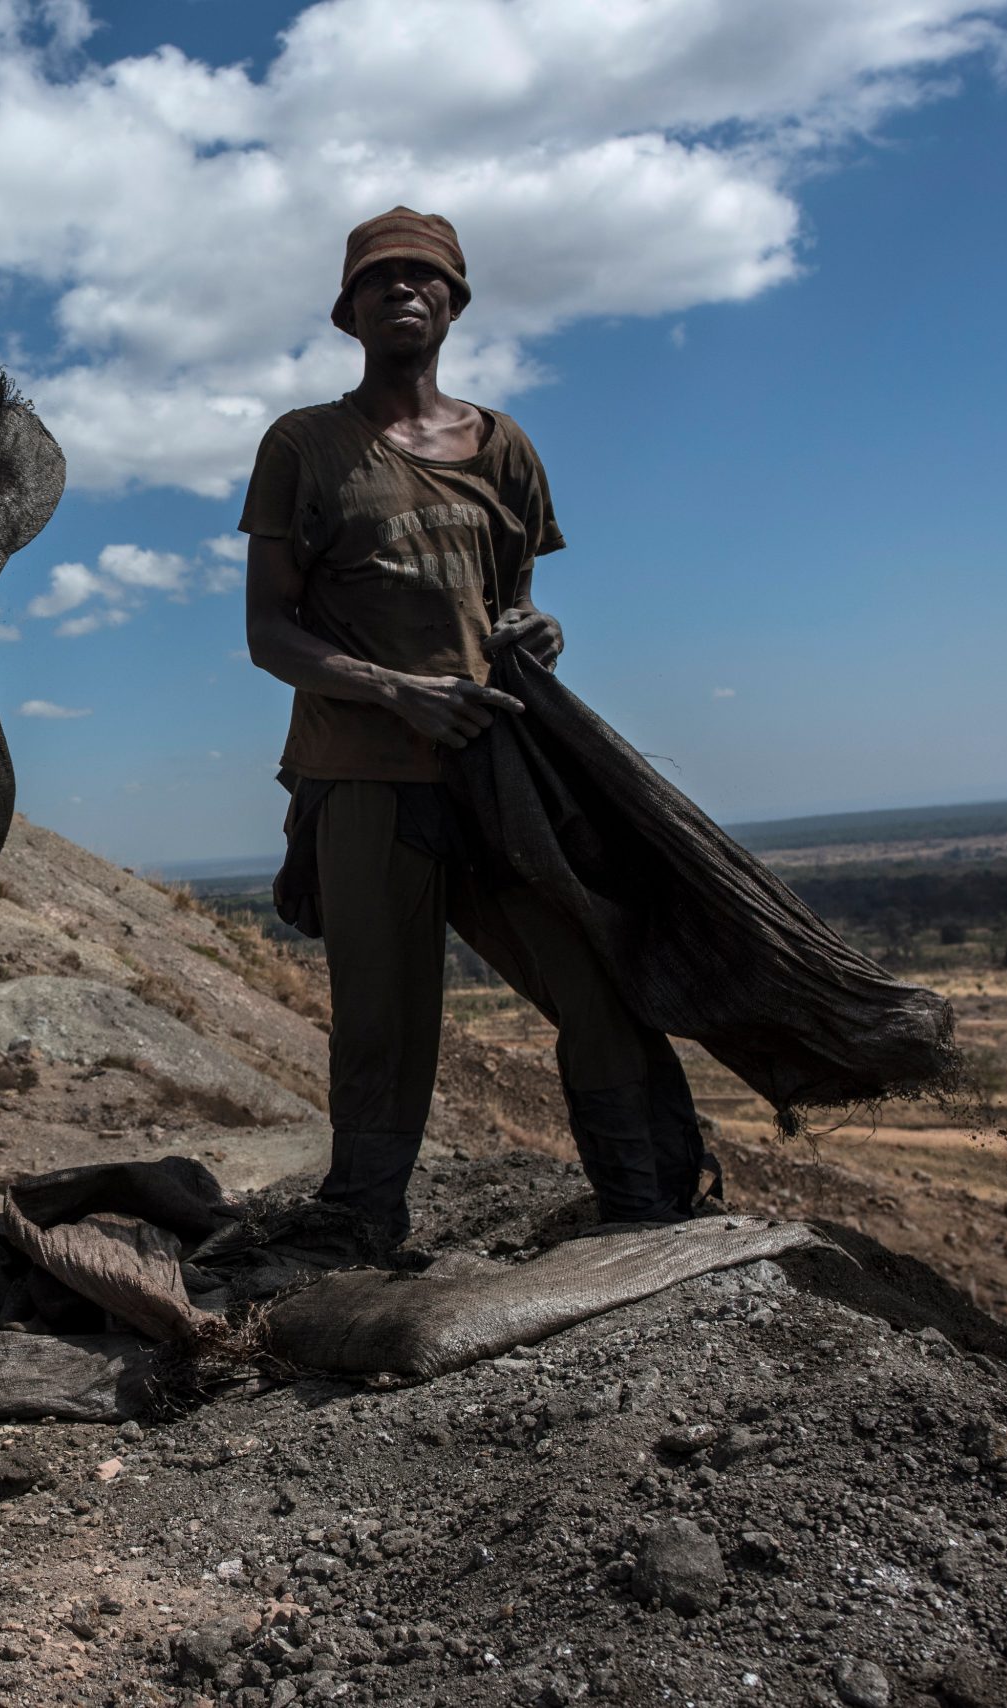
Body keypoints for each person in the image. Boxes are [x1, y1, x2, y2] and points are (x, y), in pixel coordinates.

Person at [241, 207, 709, 1244]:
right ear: (348, 310)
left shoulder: (503, 446)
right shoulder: (305, 445)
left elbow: (512, 606)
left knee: (596, 979)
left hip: (499, 770)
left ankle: (644, 1209)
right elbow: (268, 633)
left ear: (453, 301)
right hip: (364, 773)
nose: (402, 291)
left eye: (423, 277)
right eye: (379, 279)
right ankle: (363, 1223)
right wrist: (395, 690)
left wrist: (540, 629)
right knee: (384, 1020)